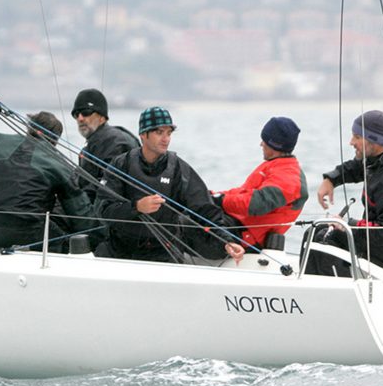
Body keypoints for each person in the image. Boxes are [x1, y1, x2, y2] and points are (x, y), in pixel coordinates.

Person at [96, 106, 245, 264]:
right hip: (122, 251)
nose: (165, 139)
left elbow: (206, 210)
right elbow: (102, 210)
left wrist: (227, 241)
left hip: (164, 252)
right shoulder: (121, 164)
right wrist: (137, 207)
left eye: (169, 133)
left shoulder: (179, 169)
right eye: (159, 132)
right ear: (143, 135)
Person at [302, 110, 383, 276]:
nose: (351, 142)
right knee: (314, 231)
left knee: (326, 238)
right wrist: (331, 179)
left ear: (374, 141)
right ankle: (308, 283)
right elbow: (356, 167)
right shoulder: (378, 158)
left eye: (357, 137)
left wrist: (347, 225)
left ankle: (340, 292)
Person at [0, 111, 94, 250]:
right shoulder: (59, 163)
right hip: (27, 235)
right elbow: (79, 212)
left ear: (29, 128)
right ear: (55, 139)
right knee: (67, 243)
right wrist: (99, 238)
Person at [214, 116, 307, 251]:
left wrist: (220, 200)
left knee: (182, 223)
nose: (261, 144)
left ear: (274, 144)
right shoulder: (276, 166)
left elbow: (256, 203)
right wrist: (213, 195)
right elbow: (243, 192)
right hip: (235, 225)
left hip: (245, 238)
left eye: (264, 140)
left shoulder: (289, 177)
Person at [71, 88, 139, 197]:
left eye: (86, 112)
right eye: (76, 114)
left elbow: (109, 186)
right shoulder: (93, 143)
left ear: (102, 117)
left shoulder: (114, 141)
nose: (80, 118)